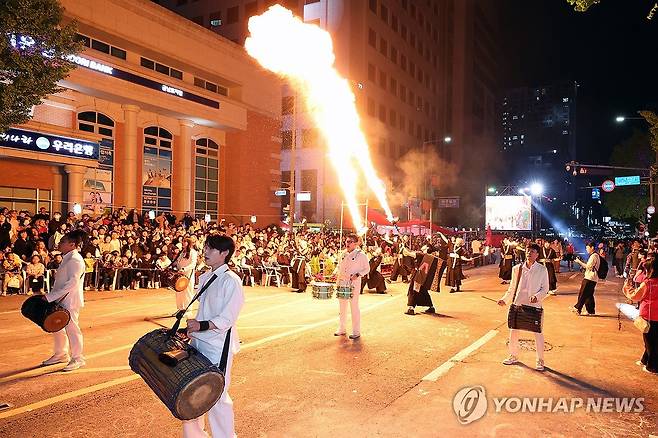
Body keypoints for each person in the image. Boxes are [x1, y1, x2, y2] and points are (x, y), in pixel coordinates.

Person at [184, 234, 244, 438]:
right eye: (205, 247)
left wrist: (200, 325)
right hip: (198, 343)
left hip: (219, 347)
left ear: (224, 253)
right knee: (191, 394)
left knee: (217, 397)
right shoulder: (207, 277)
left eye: (211, 248)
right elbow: (205, 311)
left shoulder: (231, 281)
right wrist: (191, 329)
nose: (205, 251)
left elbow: (227, 318)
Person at [497, 243, 549, 371]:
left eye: (532, 251)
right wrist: (504, 300)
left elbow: (545, 288)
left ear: (537, 255)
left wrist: (537, 296)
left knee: (538, 332)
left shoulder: (542, 270)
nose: (529, 253)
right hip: (518, 304)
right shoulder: (517, 269)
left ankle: (540, 359)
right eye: (527, 251)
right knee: (513, 331)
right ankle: (513, 355)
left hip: (534, 306)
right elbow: (512, 288)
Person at [41, 230, 87, 371]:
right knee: (58, 327)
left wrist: (50, 297)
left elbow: (72, 283)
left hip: (70, 301)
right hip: (60, 299)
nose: (59, 243)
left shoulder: (76, 260)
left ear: (72, 244)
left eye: (63, 242)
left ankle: (78, 358)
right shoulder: (68, 257)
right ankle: (61, 354)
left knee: (72, 329)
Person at [623, 255, 658, 374]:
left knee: (650, 341)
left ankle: (652, 366)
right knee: (653, 339)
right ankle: (645, 359)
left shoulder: (648, 283)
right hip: (655, 316)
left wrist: (627, 288)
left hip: (649, 315)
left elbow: (635, 296)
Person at [334, 234, 369, 340]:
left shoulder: (361, 255)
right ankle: (342, 328)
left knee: (354, 306)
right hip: (342, 281)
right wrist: (336, 275)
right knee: (342, 306)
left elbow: (367, 269)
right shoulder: (343, 254)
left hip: (353, 283)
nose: (347, 243)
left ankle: (356, 331)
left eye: (349, 242)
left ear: (356, 243)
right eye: (346, 241)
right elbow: (339, 267)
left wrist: (358, 275)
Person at [572, 242, 600, 316]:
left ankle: (578, 308)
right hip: (593, 278)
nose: (586, 249)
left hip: (589, 278)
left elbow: (588, 267)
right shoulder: (595, 255)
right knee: (589, 295)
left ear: (592, 247)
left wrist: (579, 262)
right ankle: (590, 311)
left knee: (583, 293)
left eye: (587, 248)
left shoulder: (594, 256)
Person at [176, 238, 198, 317]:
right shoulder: (182, 252)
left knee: (187, 292)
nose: (183, 243)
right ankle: (180, 309)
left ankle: (188, 309)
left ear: (189, 243)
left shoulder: (193, 252)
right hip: (180, 274)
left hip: (188, 274)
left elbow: (193, 264)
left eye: (185, 242)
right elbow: (178, 262)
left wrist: (184, 269)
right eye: (183, 241)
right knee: (179, 291)